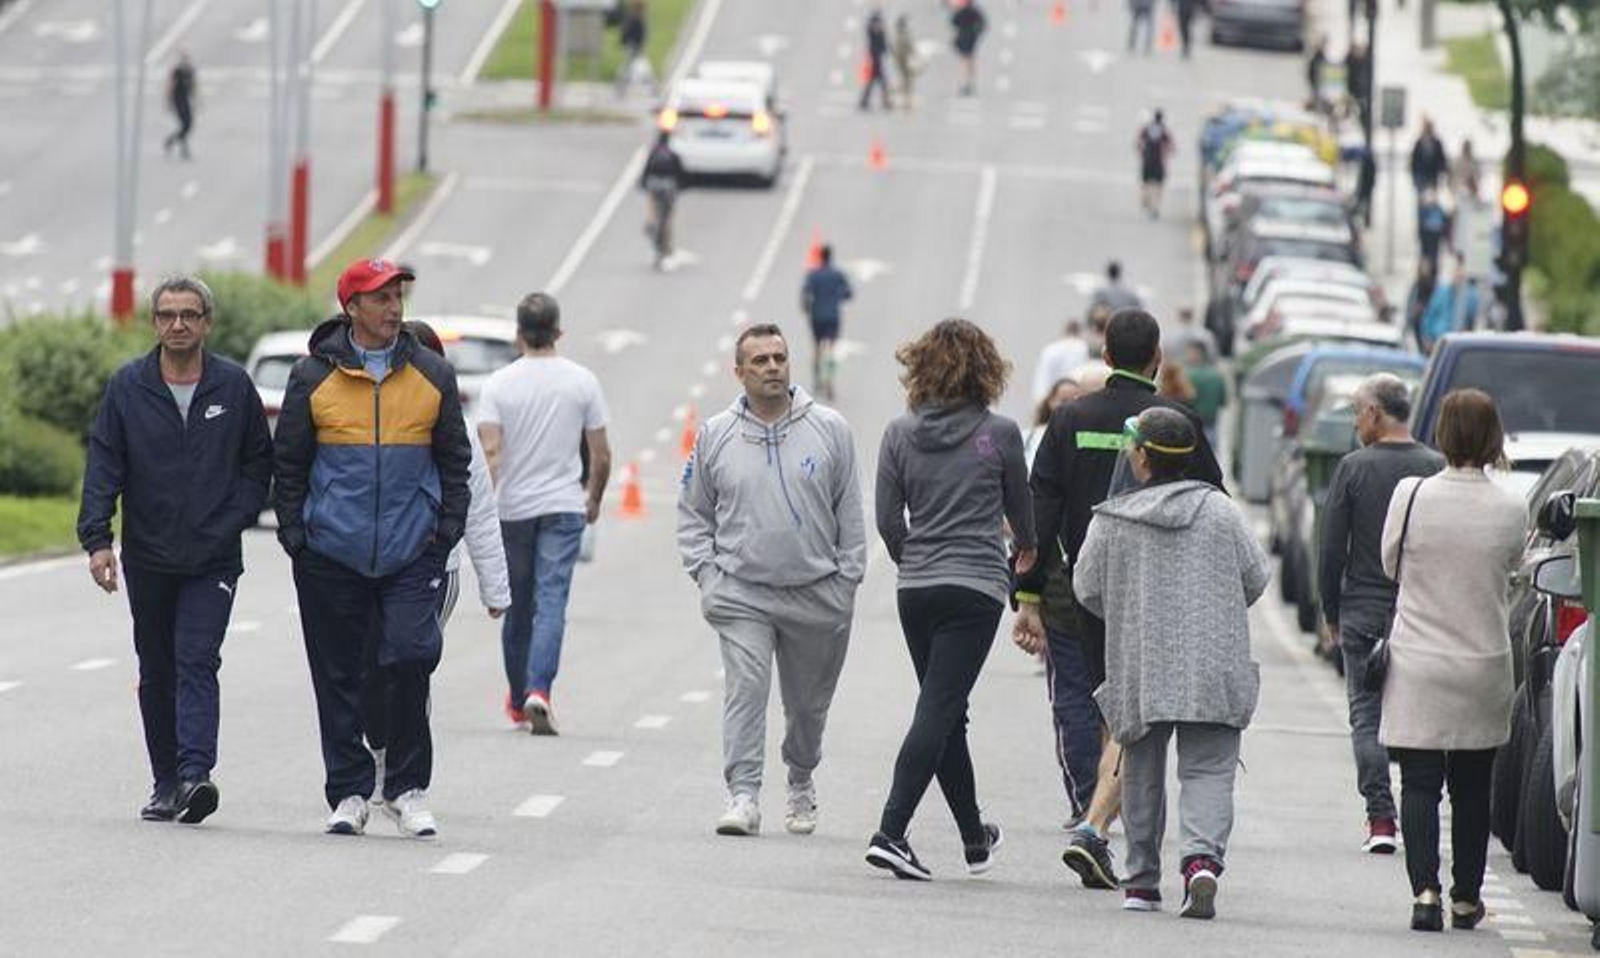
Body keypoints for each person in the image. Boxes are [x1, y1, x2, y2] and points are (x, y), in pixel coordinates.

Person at [1013, 309, 1224, 891]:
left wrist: (1026, 594)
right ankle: (1097, 825)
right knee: (1132, 714)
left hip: (1083, 587)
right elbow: (1211, 502)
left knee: (1093, 700)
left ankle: (1095, 815)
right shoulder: (1178, 420)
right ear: (1157, 358)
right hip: (1154, 595)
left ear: (1105, 357)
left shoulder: (1070, 418)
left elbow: (1041, 508)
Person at [273, 259, 471, 839]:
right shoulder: (313, 377)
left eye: (397, 296)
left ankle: (407, 788)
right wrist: (297, 536)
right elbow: (289, 464)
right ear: (351, 307)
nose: (393, 308)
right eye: (380, 298)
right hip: (331, 553)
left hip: (413, 553)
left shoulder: (433, 373)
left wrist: (445, 532)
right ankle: (350, 792)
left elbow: (454, 461)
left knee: (410, 656)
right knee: (338, 676)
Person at [77, 275, 272, 825]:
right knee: (157, 667)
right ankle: (166, 781)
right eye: (167, 315)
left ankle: (195, 775)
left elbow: (260, 464)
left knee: (197, 659)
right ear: (155, 322)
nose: (178, 324)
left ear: (207, 322)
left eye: (189, 314)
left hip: (213, 557)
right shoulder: (128, 387)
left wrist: (234, 516)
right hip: (150, 555)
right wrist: (98, 540)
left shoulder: (233, 387)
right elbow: (104, 464)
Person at [1074, 408, 1270, 918]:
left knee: (1140, 768)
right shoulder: (1221, 513)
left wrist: (1131, 603)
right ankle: (1200, 861)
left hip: (1140, 658)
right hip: (1213, 659)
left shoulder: (1113, 518)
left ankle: (1141, 881)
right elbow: (1255, 577)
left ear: (1141, 458)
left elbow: (1086, 588)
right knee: (1208, 768)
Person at [677, 324, 865, 837]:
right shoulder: (715, 434)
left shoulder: (829, 428)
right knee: (747, 689)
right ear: (738, 372)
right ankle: (744, 795)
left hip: (817, 592)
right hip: (742, 593)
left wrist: (847, 580)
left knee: (807, 706)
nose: (772, 367)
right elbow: (693, 514)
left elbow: (850, 512)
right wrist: (706, 574)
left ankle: (801, 779)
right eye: (759, 360)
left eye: (779, 357)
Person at [865, 319, 1036, 881]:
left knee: (945, 710)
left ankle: (973, 837)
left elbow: (889, 521)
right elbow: (1023, 515)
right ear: (986, 370)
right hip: (975, 589)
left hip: (916, 588)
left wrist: (913, 557)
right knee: (938, 708)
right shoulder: (1001, 432)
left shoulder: (898, 433)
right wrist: (1027, 552)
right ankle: (891, 831)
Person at [1379, 389, 1524, 932]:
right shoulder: (1511, 505)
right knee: (1471, 785)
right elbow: (1514, 565)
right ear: (1493, 438)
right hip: (1482, 662)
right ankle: (1466, 896)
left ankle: (1424, 893)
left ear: (1441, 433)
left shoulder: (1411, 495)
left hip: (1418, 659)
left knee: (1418, 783)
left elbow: (1389, 563)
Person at [362, 321, 511, 784]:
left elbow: (480, 510)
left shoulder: (455, 426)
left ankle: (404, 770)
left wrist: (495, 587)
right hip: (365, 566)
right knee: (370, 668)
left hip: (434, 570)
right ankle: (380, 751)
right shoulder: (371, 413)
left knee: (408, 662)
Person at [1317, 373, 1445, 855]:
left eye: (1356, 411)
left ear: (1374, 413)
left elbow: (1331, 549)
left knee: (1366, 717)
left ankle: (1382, 820)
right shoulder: (1435, 466)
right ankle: (1421, 813)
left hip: (1363, 609)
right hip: (1420, 610)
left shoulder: (1353, 468)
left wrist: (1331, 611)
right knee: (1419, 720)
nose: (1354, 421)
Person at [477, 293, 611, 736]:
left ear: (518, 335)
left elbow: (491, 454)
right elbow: (601, 453)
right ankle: (540, 691)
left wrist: (484, 511)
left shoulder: (498, 385)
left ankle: (517, 701)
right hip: (563, 505)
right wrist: (592, 497)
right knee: (551, 601)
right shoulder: (582, 382)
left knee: (518, 607)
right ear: (558, 332)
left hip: (513, 508)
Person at [800, 245, 855, 402]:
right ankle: (829, 382)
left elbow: (805, 293)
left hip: (816, 315)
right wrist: (837, 297)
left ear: (820, 257)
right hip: (833, 316)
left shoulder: (813, 274)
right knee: (830, 349)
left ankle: (817, 380)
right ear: (831, 256)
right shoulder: (838, 274)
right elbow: (849, 293)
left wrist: (806, 308)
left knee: (817, 348)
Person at [640, 131, 685, 270]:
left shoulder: (653, 153)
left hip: (654, 184)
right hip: (669, 186)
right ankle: (665, 241)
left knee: (652, 202)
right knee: (667, 216)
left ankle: (650, 222)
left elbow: (646, 171)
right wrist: (682, 186)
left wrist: (643, 183)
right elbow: (680, 173)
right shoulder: (673, 155)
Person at [1420, 255, 1480, 353]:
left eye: (1461, 271)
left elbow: (1472, 319)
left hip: (1459, 343)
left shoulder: (1472, 295)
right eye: (1456, 271)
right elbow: (1429, 315)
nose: (1458, 274)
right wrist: (1427, 337)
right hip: (1438, 340)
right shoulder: (1442, 291)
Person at [1026, 379, 1085, 468]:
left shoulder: (1083, 436)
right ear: (1051, 402)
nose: (1070, 406)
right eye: (1064, 400)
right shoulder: (1029, 436)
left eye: (1075, 400)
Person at [1031, 319, 1091, 404]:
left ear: (1065, 331)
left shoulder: (1050, 350)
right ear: (1079, 332)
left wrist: (1041, 402)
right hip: (1078, 398)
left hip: (1054, 399)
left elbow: (1042, 378)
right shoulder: (1085, 348)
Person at [1181, 342, 1226, 450]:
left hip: (1190, 428)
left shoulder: (1186, 375)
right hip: (1211, 425)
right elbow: (1223, 401)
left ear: (1197, 354)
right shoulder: (1217, 375)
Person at [1136, 111, 1174, 218]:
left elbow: (1139, 143)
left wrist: (1142, 153)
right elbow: (1171, 146)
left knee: (1146, 183)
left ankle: (1145, 199)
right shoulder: (1164, 130)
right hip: (1159, 162)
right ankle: (1156, 207)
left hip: (1147, 160)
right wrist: (1167, 154)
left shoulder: (1147, 128)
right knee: (1159, 186)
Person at [613, 1, 652, 98]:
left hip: (634, 46)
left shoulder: (636, 18)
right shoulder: (637, 18)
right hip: (635, 46)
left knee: (629, 67)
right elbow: (636, 34)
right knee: (634, 67)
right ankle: (621, 86)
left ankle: (621, 86)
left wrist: (623, 41)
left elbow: (630, 33)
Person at [163, 52, 198, 159]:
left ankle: (172, 141)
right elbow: (171, 86)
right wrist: (169, 101)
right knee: (185, 124)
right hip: (178, 100)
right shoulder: (177, 71)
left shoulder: (191, 71)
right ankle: (182, 148)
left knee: (188, 124)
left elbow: (193, 86)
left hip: (186, 100)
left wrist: (195, 100)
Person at [950, 0, 987, 96]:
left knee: (965, 61)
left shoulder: (962, 12)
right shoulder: (974, 11)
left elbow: (953, 23)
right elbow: (983, 24)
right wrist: (976, 32)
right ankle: (969, 83)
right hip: (970, 39)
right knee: (969, 61)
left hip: (964, 38)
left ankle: (966, 83)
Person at [860, 9, 893, 111]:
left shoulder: (880, 31)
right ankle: (885, 102)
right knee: (881, 83)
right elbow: (871, 33)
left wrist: (888, 50)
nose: (880, 25)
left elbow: (884, 44)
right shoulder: (873, 31)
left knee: (874, 83)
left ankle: (865, 102)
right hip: (875, 60)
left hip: (878, 59)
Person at [1409, 119, 1450, 196]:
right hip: (1421, 175)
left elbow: (1441, 158)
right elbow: (1414, 160)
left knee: (1432, 197)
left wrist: (1443, 171)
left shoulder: (1437, 142)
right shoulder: (1419, 142)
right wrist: (1414, 175)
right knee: (1421, 198)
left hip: (1433, 175)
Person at [1416, 188, 1450, 275]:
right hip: (1427, 236)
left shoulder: (1438, 209)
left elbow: (1445, 221)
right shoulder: (1424, 209)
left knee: (1433, 254)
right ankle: (1426, 272)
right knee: (1427, 255)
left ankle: (1432, 271)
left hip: (1434, 236)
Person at [892, 15, 918, 109]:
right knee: (907, 83)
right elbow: (909, 48)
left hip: (902, 61)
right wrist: (915, 56)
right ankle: (906, 102)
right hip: (905, 61)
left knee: (906, 82)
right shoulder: (903, 36)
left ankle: (906, 101)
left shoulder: (900, 35)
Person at [1306, 37, 1329, 112]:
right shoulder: (1316, 57)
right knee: (1317, 96)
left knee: (1320, 97)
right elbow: (1311, 71)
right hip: (1316, 82)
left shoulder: (1322, 57)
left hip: (1321, 82)